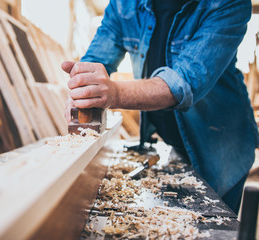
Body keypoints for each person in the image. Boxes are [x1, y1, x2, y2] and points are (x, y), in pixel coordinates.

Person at [61, 0, 259, 214]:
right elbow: (96, 61)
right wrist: (83, 86)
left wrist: (114, 93)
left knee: (213, 223)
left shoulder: (228, 3)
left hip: (220, 145)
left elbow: (184, 83)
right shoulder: (124, 5)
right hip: (172, 140)